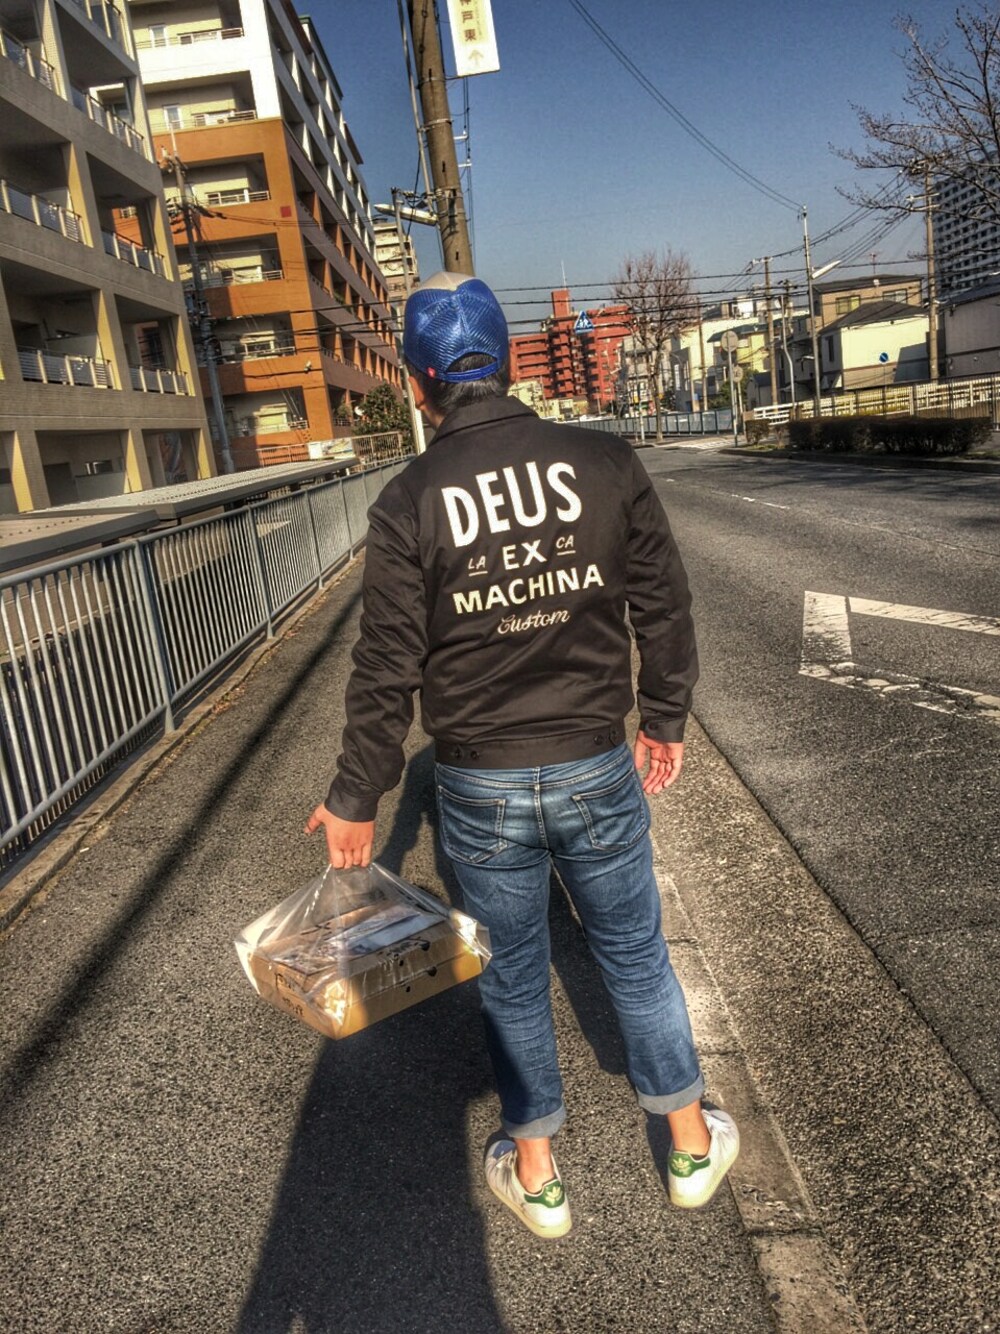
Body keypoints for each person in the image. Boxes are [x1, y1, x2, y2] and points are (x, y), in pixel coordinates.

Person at [306, 271, 739, 1238]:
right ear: (503, 361)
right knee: (635, 954)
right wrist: (663, 719)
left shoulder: (409, 500)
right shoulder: (603, 460)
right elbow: (662, 605)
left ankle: (538, 1173)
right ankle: (688, 1147)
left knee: (509, 972)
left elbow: (387, 663)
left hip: (477, 778)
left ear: (419, 382)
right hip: (593, 758)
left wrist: (357, 794)